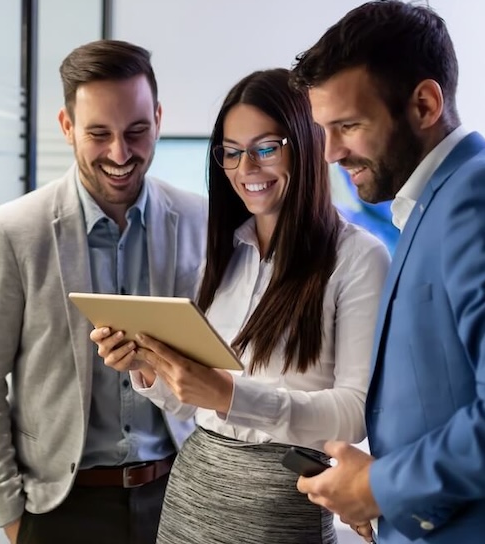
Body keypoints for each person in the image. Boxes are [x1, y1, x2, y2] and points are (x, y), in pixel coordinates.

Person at [289, 2, 485, 543]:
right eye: (324, 129)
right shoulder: (431, 206)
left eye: (349, 126)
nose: (332, 151)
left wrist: (380, 486)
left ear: (425, 104)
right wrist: (385, 501)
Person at [92, 68, 390, 544]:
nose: (245, 168)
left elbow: (354, 413)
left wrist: (229, 395)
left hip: (279, 503)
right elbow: (190, 398)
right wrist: (149, 367)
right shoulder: (226, 251)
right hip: (193, 489)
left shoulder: (358, 258)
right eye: (231, 152)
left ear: (307, 145)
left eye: (265, 148)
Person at [0, 39, 208, 544]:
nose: (120, 154)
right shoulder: (12, 232)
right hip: (60, 509)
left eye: (137, 131)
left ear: (158, 117)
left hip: (181, 495)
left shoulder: (202, 221)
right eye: (99, 134)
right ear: (67, 127)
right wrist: (9, 515)